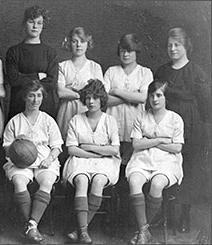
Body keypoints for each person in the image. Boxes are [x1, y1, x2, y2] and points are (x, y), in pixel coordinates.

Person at [154, 27, 211, 233]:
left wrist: (201, 131)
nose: (173, 49)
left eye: (177, 44)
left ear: (186, 46)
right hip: (165, 127)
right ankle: (164, 212)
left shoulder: (197, 72)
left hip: (191, 128)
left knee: (189, 171)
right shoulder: (162, 71)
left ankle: (185, 216)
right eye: (169, 45)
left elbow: (206, 106)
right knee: (164, 166)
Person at [3, 79, 63, 243]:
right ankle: (32, 225)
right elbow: (6, 148)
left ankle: (31, 224)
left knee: (47, 182)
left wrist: (50, 158)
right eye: (31, 96)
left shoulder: (48, 120)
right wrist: (17, 144)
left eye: (38, 96)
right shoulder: (15, 121)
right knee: (19, 182)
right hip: (20, 161)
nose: (35, 100)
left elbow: (57, 146)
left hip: (44, 158)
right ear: (24, 97)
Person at [62, 79, 120, 244]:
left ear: (102, 99)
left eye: (95, 98)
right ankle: (84, 231)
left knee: (98, 180)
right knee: (81, 180)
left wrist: (88, 146)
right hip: (81, 160)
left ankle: (80, 228)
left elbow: (114, 149)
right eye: (88, 98)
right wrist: (96, 153)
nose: (91, 101)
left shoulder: (109, 120)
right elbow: (72, 149)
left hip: (106, 162)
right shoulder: (76, 119)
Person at [126, 80, 184, 244]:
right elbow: (137, 144)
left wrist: (150, 140)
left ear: (166, 97)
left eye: (159, 95)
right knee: (135, 181)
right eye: (151, 95)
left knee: (157, 184)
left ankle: (142, 230)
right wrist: (160, 140)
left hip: (167, 160)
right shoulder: (141, 117)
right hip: (142, 157)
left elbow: (177, 147)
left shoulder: (175, 119)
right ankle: (144, 230)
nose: (155, 99)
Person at [104, 33, 153, 227]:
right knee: (113, 166)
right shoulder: (111, 71)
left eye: (130, 50)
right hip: (114, 126)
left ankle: (127, 215)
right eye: (123, 50)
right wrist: (130, 96)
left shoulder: (145, 73)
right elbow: (104, 99)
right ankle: (112, 214)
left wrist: (116, 92)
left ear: (136, 52)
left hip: (135, 127)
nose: (125, 54)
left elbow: (143, 98)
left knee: (131, 169)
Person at [6, 5, 58, 119]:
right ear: (25, 23)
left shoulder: (50, 52)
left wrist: (23, 77)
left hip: (45, 106)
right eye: (31, 22)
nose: (35, 26)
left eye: (39, 23)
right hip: (19, 105)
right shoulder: (14, 51)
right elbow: (14, 80)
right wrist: (38, 75)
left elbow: (52, 82)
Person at [56, 27, 104, 140]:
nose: (79, 45)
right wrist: (83, 92)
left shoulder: (95, 67)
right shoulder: (62, 66)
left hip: (87, 109)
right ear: (69, 43)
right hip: (66, 110)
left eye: (82, 41)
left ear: (88, 43)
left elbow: (98, 93)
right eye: (74, 41)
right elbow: (60, 92)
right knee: (66, 142)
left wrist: (71, 88)